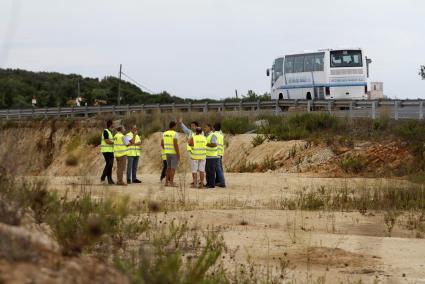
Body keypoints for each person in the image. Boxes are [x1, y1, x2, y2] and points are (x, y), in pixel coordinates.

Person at [178, 118, 200, 186]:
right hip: (191, 152)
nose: (192, 127)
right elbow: (185, 129)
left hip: (198, 152)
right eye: (191, 126)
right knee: (193, 168)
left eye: (193, 125)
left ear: (197, 126)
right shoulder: (190, 132)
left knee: (198, 168)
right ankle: (195, 180)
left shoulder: (200, 133)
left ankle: (198, 181)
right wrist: (181, 123)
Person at [161, 121, 180, 187]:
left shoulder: (164, 133)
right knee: (173, 168)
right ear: (174, 126)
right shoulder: (175, 134)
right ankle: (171, 182)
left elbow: (162, 144)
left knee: (168, 168)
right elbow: (175, 144)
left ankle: (166, 182)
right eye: (176, 126)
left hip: (167, 153)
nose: (176, 127)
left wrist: (166, 149)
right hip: (173, 153)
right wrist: (178, 154)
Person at [204, 123, 218, 189]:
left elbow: (214, 144)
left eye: (206, 127)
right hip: (207, 156)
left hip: (212, 156)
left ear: (210, 128)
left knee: (211, 171)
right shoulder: (206, 135)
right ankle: (208, 183)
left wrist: (206, 144)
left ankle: (212, 184)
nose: (205, 129)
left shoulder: (212, 135)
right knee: (207, 171)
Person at [100, 120, 115, 185]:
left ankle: (110, 179)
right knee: (108, 164)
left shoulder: (110, 132)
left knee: (110, 165)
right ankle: (103, 177)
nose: (114, 125)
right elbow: (106, 141)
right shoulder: (105, 131)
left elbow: (110, 140)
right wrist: (114, 142)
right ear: (110, 124)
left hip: (111, 150)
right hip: (106, 150)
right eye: (113, 123)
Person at [214, 123, 226, 188]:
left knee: (218, 168)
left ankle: (221, 182)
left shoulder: (214, 134)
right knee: (219, 168)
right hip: (220, 152)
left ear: (214, 128)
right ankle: (217, 181)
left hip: (216, 153)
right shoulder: (221, 134)